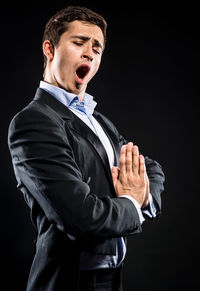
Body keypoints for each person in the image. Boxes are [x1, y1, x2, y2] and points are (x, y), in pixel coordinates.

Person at [8, 6, 165, 291]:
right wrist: (132, 203)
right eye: (79, 42)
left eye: (97, 48)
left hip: (111, 281)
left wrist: (142, 198)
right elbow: (80, 216)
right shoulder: (33, 122)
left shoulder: (100, 122)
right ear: (49, 49)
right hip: (67, 283)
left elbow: (150, 169)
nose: (89, 53)